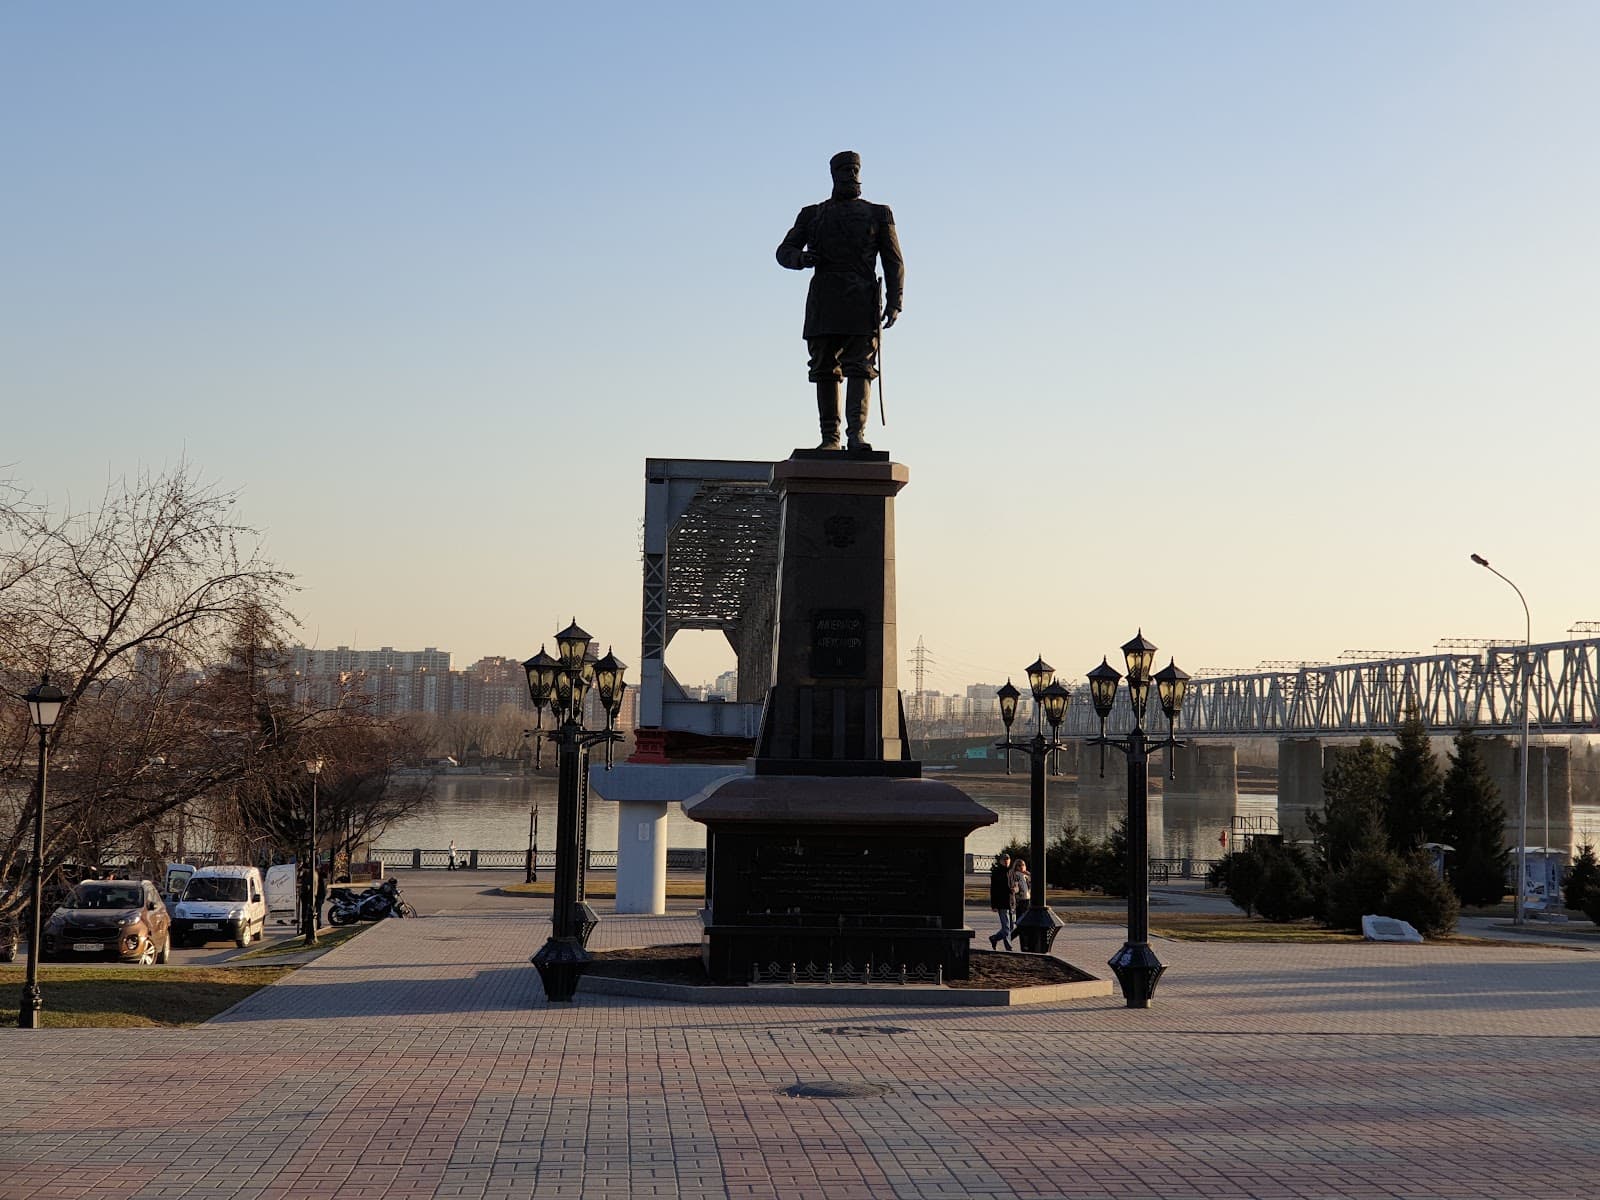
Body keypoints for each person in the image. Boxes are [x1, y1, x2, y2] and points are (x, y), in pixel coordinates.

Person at [776, 150, 905, 452]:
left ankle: (855, 434)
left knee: (860, 366)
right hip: (824, 299)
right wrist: (801, 258)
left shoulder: (878, 213)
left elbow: (894, 261)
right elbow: (784, 250)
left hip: (861, 299)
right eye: (845, 171)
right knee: (823, 367)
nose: (851, 176)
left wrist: (895, 301)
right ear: (834, 176)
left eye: (855, 170)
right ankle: (830, 438)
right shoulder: (812, 214)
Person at [988, 851, 1016, 951]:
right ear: (1000, 861)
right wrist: (993, 905)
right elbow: (993, 890)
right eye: (1004, 859)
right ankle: (1008, 947)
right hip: (1001, 903)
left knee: (1011, 927)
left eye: (1007, 859)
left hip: (1011, 903)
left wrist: (1015, 890)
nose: (1006, 861)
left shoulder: (1011, 872)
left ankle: (994, 938)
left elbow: (1014, 886)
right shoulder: (996, 873)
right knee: (1006, 927)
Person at [1010, 857, 1033, 937]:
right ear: (1016, 866)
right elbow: (1016, 887)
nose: (1021, 867)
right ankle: (1008, 938)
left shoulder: (1026, 875)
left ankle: (1010, 939)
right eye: (1019, 865)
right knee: (1021, 924)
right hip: (1020, 901)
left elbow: (1030, 886)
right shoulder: (1016, 875)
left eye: (1023, 865)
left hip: (1027, 900)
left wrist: (1029, 875)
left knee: (1025, 924)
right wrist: (1015, 890)